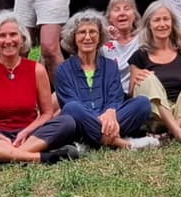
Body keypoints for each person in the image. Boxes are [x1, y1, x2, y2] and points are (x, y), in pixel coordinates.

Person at [0, 13, 82, 169]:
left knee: (67, 122)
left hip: (29, 135)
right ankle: (46, 157)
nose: (8, 40)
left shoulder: (36, 70)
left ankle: (2, 159)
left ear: (23, 39)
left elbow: (46, 114)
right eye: (2, 36)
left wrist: (25, 132)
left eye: (13, 35)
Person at [55, 11, 160, 150]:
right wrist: (99, 120)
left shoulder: (110, 65)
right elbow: (69, 102)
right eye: (82, 32)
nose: (88, 37)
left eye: (93, 32)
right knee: (72, 108)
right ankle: (124, 143)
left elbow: (115, 97)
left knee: (142, 103)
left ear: (100, 37)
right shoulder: (63, 69)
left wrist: (110, 112)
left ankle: (91, 141)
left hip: (110, 119)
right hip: (82, 120)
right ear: (73, 37)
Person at [128, 1, 181, 143]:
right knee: (146, 78)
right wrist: (141, 79)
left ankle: (172, 132)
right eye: (157, 20)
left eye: (166, 19)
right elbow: (132, 93)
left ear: (172, 23)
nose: (162, 24)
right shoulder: (140, 56)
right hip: (157, 116)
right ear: (149, 25)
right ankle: (179, 133)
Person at [101, 0, 143, 91]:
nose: (122, 13)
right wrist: (102, 35)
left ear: (135, 15)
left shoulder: (143, 39)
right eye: (116, 9)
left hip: (136, 93)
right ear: (109, 18)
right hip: (109, 95)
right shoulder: (102, 43)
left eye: (127, 9)